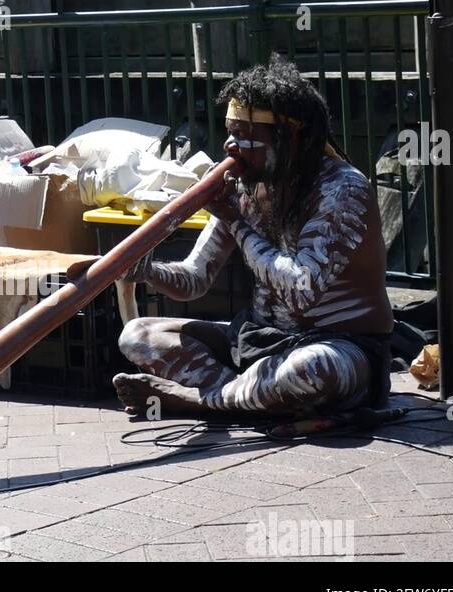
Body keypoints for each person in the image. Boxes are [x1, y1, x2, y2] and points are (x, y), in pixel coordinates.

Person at [113, 55, 394, 417]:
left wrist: (236, 222)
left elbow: (301, 291)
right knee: (138, 335)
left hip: (340, 345)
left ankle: (199, 400)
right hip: (255, 339)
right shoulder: (246, 187)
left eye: (245, 136)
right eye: (229, 132)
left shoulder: (342, 190)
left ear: (291, 136)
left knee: (311, 370)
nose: (230, 146)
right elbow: (195, 279)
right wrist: (145, 269)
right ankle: (244, 397)